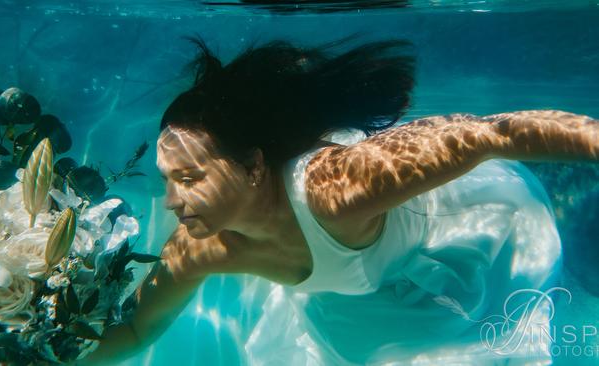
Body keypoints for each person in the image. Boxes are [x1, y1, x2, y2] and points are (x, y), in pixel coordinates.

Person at [82, 37, 598, 365]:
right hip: (361, 300)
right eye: (167, 181)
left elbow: (495, 134)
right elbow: (134, 329)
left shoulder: (337, 187)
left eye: (190, 178)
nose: (172, 201)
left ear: (255, 166)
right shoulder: (200, 249)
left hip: (461, 239)